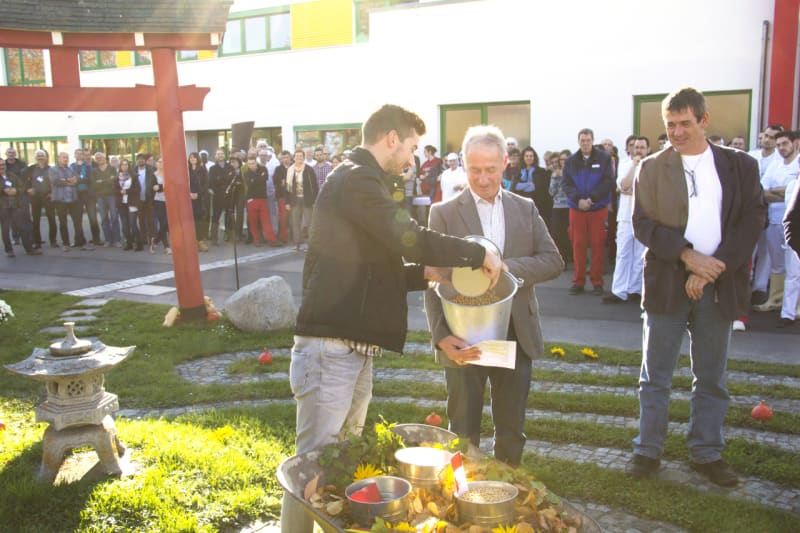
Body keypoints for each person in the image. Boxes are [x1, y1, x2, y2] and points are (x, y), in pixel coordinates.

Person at [282, 104, 503, 533]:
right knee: (310, 468)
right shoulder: (357, 180)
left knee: (341, 465)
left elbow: (366, 270)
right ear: (391, 139)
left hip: (352, 348)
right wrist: (478, 252)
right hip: (331, 349)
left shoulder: (365, 182)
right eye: (411, 148)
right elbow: (411, 238)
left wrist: (427, 274)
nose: (412, 159)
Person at [627, 87, 764, 487]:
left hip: (719, 285)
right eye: (670, 125)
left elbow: (753, 220)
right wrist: (688, 258)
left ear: (704, 120)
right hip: (667, 284)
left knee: (711, 376)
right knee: (655, 376)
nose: (678, 132)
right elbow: (643, 224)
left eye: (685, 123)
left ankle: (706, 452)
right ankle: (647, 450)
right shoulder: (651, 167)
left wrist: (709, 270)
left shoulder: (740, 166)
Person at [424, 125, 563, 465]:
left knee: (511, 429)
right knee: (463, 429)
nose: (482, 179)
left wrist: (503, 268)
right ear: (463, 166)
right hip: (463, 337)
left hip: (515, 333)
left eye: (490, 169)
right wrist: (441, 335)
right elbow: (431, 280)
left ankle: (507, 495)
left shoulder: (525, 208)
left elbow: (553, 260)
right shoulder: (443, 213)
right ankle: (461, 497)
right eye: (474, 170)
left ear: (504, 164)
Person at [563, 128, 615, 295]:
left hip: (597, 208)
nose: (585, 143)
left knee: (597, 244)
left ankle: (597, 282)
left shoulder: (604, 158)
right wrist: (578, 199)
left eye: (588, 140)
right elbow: (566, 184)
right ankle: (578, 282)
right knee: (578, 245)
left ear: (593, 141)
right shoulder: (571, 161)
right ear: (578, 141)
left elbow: (608, 182)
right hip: (576, 208)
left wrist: (592, 199)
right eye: (582, 140)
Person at [752, 129, 798, 306]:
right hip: (774, 219)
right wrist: (787, 191)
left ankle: (794, 305)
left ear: (794, 144)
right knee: (777, 264)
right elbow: (763, 191)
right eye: (778, 145)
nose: (781, 148)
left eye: (784, 144)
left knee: (795, 266)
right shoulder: (776, 165)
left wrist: (783, 191)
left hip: (794, 221)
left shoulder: (798, 163)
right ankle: (776, 299)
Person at [604, 136, 649, 304]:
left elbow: (648, 191)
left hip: (645, 217)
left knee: (640, 255)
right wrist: (634, 166)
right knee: (623, 253)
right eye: (636, 147)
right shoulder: (624, 164)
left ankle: (635, 289)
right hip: (625, 217)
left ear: (647, 149)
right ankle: (619, 290)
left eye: (642, 147)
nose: (638, 150)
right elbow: (623, 185)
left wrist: (632, 191)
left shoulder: (652, 165)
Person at [50, 152, 88, 252]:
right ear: (58, 158)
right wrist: (69, 180)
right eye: (64, 157)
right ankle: (66, 244)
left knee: (77, 221)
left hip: (73, 199)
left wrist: (75, 180)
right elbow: (55, 181)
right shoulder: (53, 169)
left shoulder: (71, 168)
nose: (66, 159)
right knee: (63, 223)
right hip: (60, 200)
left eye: (67, 157)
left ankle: (80, 242)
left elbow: (78, 178)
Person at [285, 149, 318, 251]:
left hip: (307, 199)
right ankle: (297, 244)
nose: (299, 158)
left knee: (309, 223)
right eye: (297, 156)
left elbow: (315, 186)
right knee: (296, 223)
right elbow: (287, 188)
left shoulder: (309, 169)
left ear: (303, 158)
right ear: (294, 158)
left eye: (301, 156)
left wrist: (314, 200)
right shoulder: (290, 170)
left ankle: (310, 244)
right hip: (295, 200)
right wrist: (287, 202)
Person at [26, 149, 58, 249]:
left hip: (47, 196)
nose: (40, 157)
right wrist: (28, 189)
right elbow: (25, 181)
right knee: (35, 220)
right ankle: (37, 242)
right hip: (35, 197)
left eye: (42, 155)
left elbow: (55, 182)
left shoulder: (51, 169)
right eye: (38, 156)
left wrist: (53, 193)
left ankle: (53, 241)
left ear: (46, 157)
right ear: (35, 158)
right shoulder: (30, 169)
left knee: (52, 219)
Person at [514, 146, 552, 230]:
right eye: (526, 156)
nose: (529, 158)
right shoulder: (518, 171)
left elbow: (536, 187)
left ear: (534, 157)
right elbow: (515, 186)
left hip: (538, 205)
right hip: (521, 206)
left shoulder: (540, 171)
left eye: (531, 156)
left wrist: (522, 185)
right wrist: (529, 184)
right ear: (523, 157)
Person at [244, 156, 278, 246]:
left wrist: (254, 180)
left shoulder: (263, 169)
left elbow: (264, 179)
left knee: (266, 220)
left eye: (253, 163)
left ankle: (272, 239)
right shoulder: (247, 173)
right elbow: (250, 184)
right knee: (253, 221)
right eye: (250, 164)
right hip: (251, 199)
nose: (252, 165)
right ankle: (256, 240)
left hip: (262, 198)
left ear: (256, 163)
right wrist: (259, 178)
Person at [92, 152, 121, 247]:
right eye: (97, 158)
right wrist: (107, 180)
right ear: (95, 160)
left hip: (111, 196)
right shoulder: (94, 171)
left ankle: (117, 240)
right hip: (100, 197)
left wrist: (101, 181)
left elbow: (113, 181)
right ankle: (108, 240)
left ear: (105, 158)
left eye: (100, 157)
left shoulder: (112, 169)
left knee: (114, 217)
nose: (99, 159)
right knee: (104, 219)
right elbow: (94, 184)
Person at [549, 150, 572, 266]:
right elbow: (551, 192)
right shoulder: (555, 173)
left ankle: (568, 258)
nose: (563, 162)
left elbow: (571, 190)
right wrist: (554, 178)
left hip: (569, 206)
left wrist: (563, 177)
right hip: (557, 206)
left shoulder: (573, 173)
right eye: (562, 160)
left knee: (568, 234)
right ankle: (562, 258)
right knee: (556, 233)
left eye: (566, 159)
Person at [114, 159, 141, 251]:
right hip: (121, 203)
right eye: (122, 165)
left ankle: (139, 243)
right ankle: (129, 243)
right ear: (120, 166)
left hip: (132, 202)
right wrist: (120, 191)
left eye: (126, 164)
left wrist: (127, 191)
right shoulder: (117, 177)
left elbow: (138, 189)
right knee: (125, 225)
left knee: (133, 224)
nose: (124, 166)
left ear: (129, 166)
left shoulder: (133, 176)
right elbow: (114, 190)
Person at [188, 152, 210, 252]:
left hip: (199, 198)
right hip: (188, 198)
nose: (192, 159)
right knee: (190, 221)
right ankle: (193, 242)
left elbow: (206, 184)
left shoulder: (202, 169)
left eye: (194, 157)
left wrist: (198, 194)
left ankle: (200, 241)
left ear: (197, 159)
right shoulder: (186, 170)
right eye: (190, 157)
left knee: (199, 220)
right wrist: (189, 194)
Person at [151, 156, 170, 254]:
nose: (161, 163)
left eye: (163, 162)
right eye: (159, 162)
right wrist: (163, 187)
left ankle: (155, 241)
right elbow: (153, 188)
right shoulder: (153, 175)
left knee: (167, 223)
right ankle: (166, 246)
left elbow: (170, 185)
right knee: (163, 223)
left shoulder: (168, 174)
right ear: (156, 163)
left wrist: (160, 187)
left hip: (169, 200)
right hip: (158, 200)